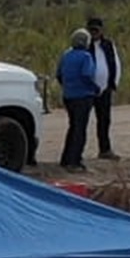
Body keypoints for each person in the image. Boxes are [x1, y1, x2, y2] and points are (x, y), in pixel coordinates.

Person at [53, 27, 102, 170]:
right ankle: (74, 161)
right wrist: (95, 88)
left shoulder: (66, 55)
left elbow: (59, 74)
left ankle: (66, 158)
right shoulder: (86, 57)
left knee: (73, 127)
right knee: (80, 130)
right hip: (83, 96)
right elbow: (86, 75)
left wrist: (67, 86)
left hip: (68, 96)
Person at [87, 17, 122, 159]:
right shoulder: (83, 44)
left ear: (101, 30)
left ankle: (105, 149)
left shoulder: (108, 45)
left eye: (96, 29)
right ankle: (75, 154)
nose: (94, 32)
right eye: (91, 29)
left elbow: (115, 63)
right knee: (80, 123)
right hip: (87, 90)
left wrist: (113, 83)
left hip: (104, 89)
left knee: (104, 120)